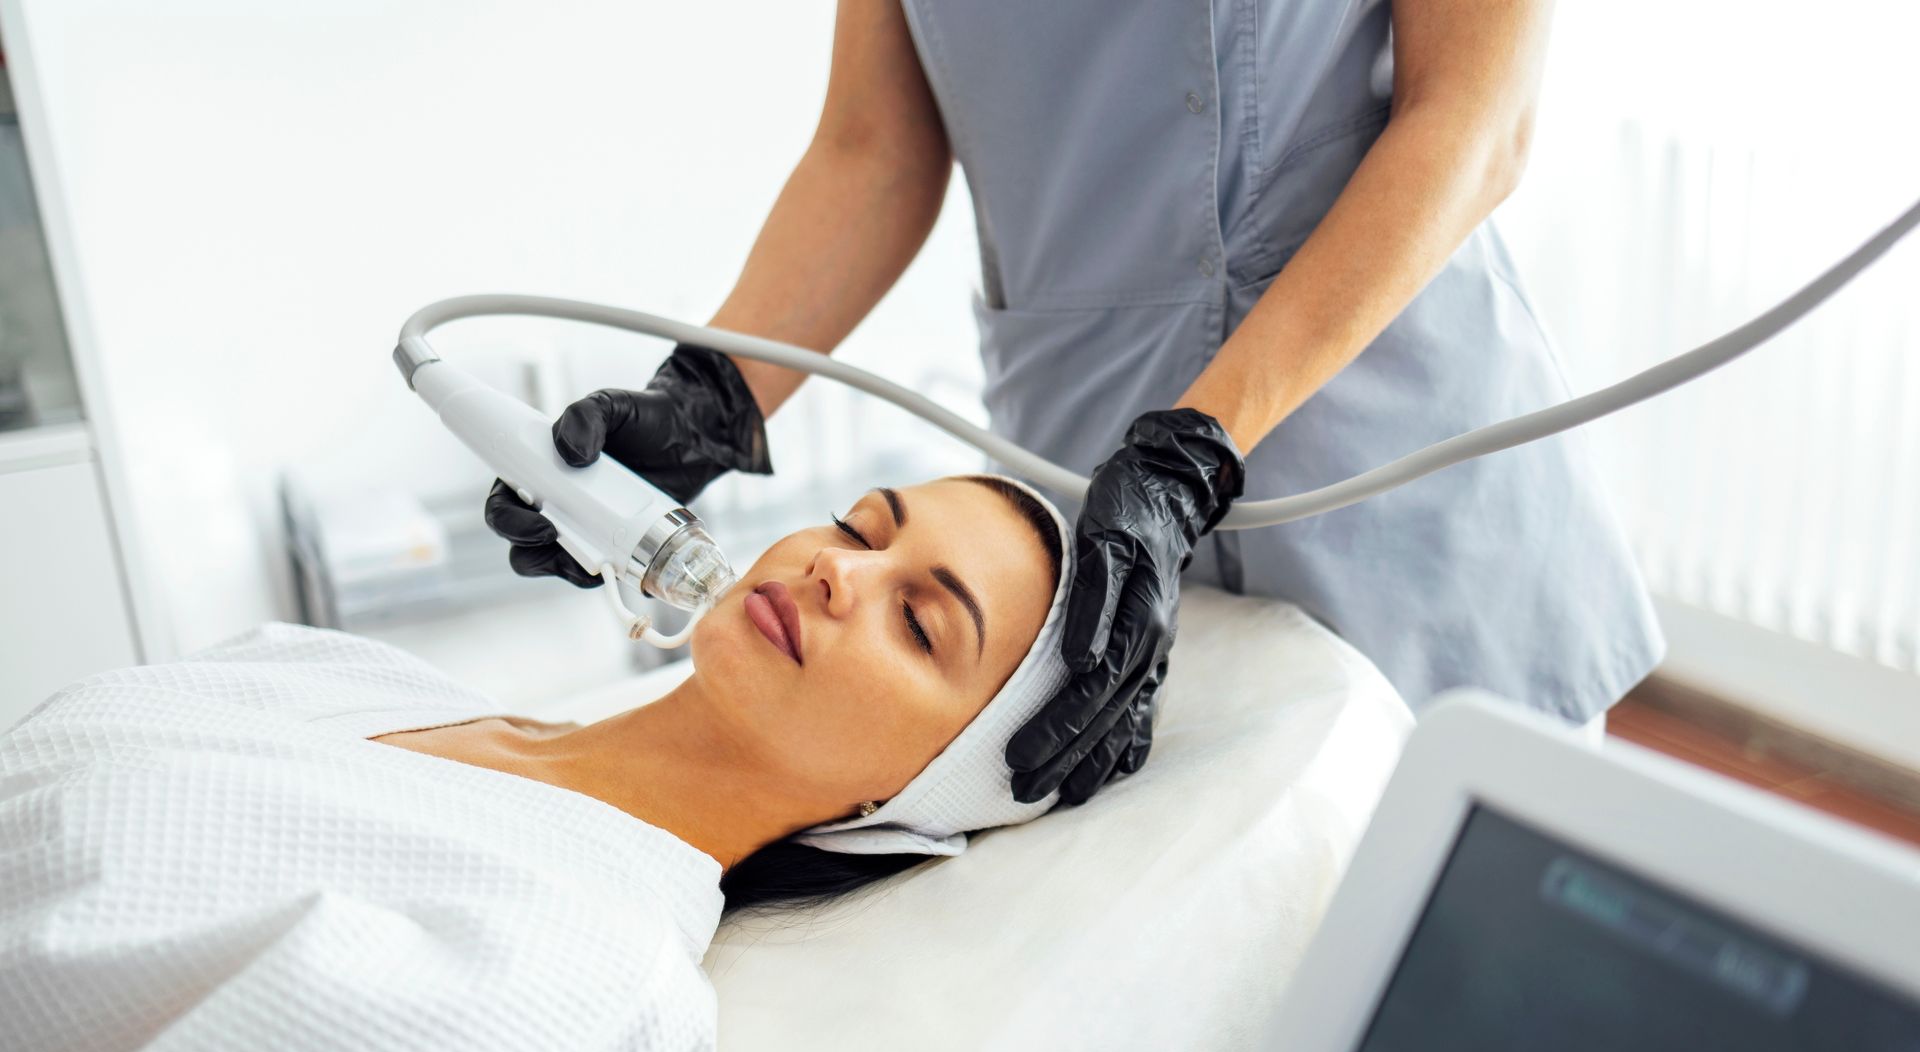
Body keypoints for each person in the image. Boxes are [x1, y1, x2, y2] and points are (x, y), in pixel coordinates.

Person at [489, 0, 1660, 808]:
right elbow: (874, 148)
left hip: (1393, 450)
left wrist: (1193, 451)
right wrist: (711, 392)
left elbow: (1477, 117)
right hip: (1080, 483)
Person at [0, 475, 1072, 1052]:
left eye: (920, 622)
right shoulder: (341, 670)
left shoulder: (585, 982)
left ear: (921, 793)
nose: (840, 571)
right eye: (857, 528)